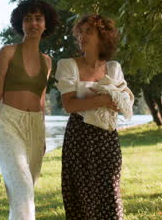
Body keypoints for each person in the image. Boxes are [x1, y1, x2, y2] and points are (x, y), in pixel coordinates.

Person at [0, 0, 59, 220]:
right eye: (28, 19)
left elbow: (41, 99)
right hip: (8, 123)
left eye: (38, 19)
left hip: (35, 126)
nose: (33, 23)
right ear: (21, 24)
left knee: (24, 190)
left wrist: (43, 135)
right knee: (22, 185)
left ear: (46, 24)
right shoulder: (7, 52)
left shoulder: (47, 62)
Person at [55, 15, 129, 219]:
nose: (82, 36)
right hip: (79, 137)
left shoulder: (113, 68)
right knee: (81, 196)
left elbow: (122, 102)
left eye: (89, 31)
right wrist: (103, 98)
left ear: (103, 37)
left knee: (110, 194)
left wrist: (97, 98)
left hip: (107, 137)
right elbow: (69, 105)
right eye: (81, 31)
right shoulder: (67, 65)